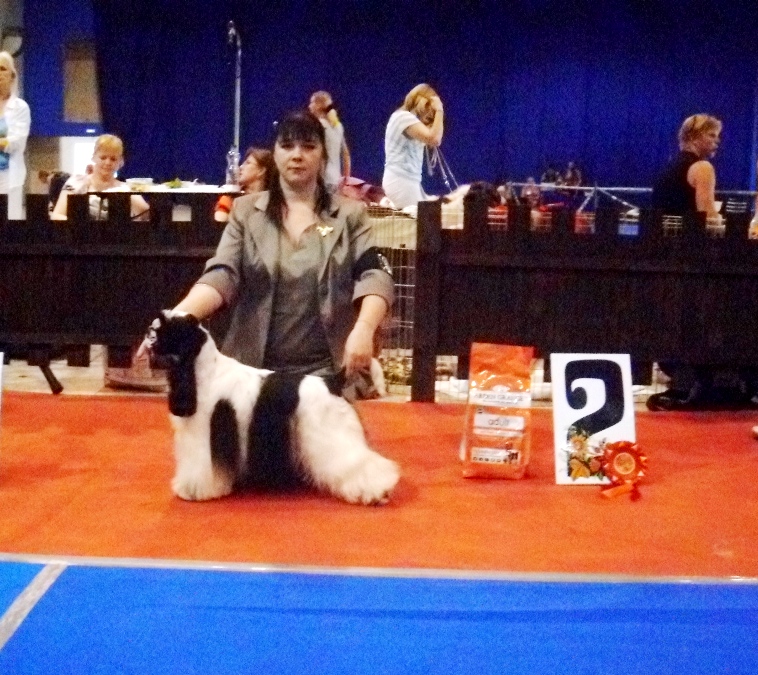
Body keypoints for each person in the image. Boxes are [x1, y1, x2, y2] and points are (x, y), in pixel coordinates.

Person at [143, 110, 394, 399]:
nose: (297, 155)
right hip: (251, 376)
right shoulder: (244, 211)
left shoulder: (351, 214)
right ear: (274, 155)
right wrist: (174, 319)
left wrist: (364, 329)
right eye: (287, 146)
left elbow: (375, 275)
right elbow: (222, 274)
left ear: (323, 155)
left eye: (308, 146)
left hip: (328, 377)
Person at [647, 114, 753, 411]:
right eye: (712, 135)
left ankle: (687, 381)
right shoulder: (703, 167)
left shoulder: (668, 169)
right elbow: (707, 217)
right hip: (695, 259)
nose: (717, 141)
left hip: (667, 257)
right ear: (694, 137)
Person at [50, 134, 150, 221]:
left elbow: (147, 215)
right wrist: (80, 226)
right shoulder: (76, 182)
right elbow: (57, 215)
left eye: (113, 159)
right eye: (103, 157)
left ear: (120, 162)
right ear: (94, 157)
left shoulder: (125, 188)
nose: (108, 162)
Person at [382, 83, 444, 209]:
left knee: (427, 212)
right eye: (429, 109)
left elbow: (434, 137)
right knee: (420, 218)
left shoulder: (407, 119)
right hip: (400, 181)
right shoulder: (403, 117)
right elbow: (435, 139)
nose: (430, 115)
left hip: (407, 181)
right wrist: (439, 110)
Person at [0, 51, 31, 220]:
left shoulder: (20, 107)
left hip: (8, 177)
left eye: (2, 69)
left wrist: (4, 142)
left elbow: (17, 143)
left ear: (12, 76)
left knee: (9, 225)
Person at [214, 147, 273, 223]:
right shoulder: (229, 198)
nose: (241, 167)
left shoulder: (272, 203)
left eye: (248, 163)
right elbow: (219, 226)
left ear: (261, 171)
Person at [308, 91, 351, 192]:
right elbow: (346, 155)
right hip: (336, 180)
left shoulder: (317, 125)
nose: (309, 106)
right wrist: (346, 178)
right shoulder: (338, 126)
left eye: (312, 102)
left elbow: (318, 155)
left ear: (318, 105)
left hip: (321, 180)